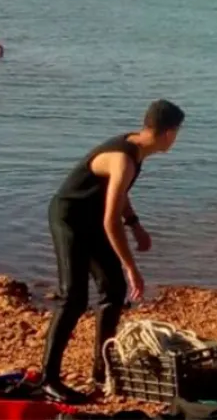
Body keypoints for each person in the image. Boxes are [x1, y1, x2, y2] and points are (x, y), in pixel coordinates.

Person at [40, 100, 185, 404]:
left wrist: (134, 224)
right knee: (73, 297)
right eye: (178, 133)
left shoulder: (136, 149)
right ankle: (48, 380)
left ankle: (101, 369)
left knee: (113, 289)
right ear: (169, 133)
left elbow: (117, 196)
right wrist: (131, 266)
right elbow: (110, 221)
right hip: (68, 217)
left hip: (90, 219)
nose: (177, 138)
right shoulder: (124, 158)